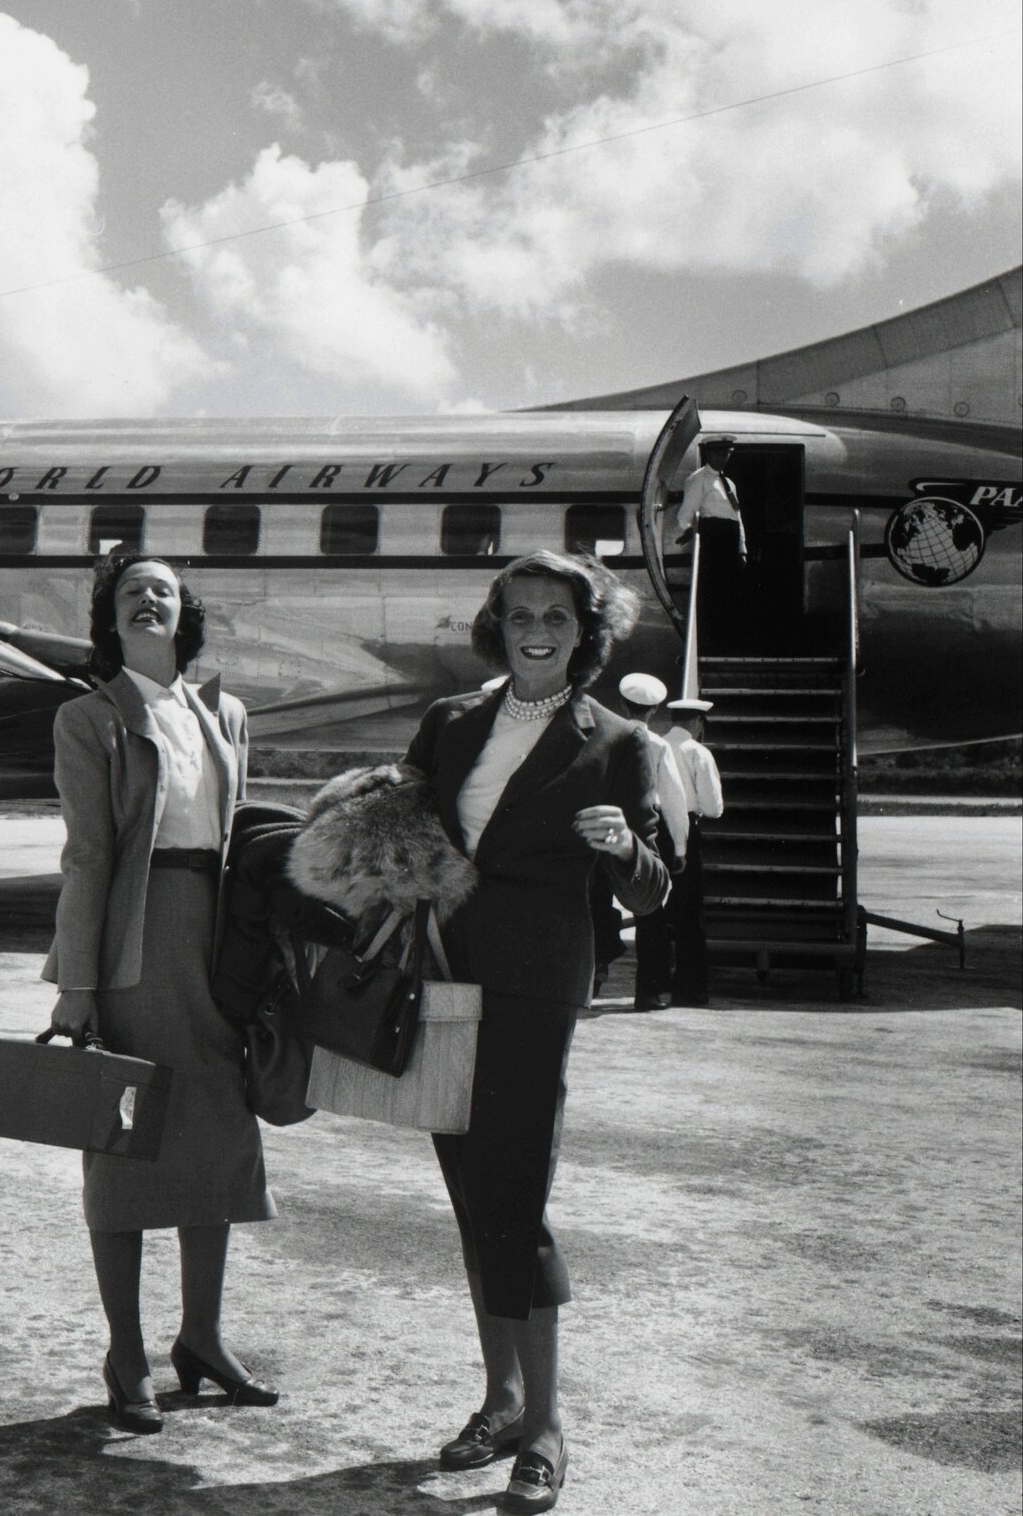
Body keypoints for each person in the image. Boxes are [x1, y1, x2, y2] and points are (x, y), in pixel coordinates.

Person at [403, 551, 669, 1513]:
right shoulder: (450, 722)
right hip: (443, 976)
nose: (537, 630)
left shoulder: (620, 742)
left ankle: (546, 1425)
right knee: (472, 1192)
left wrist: (623, 848)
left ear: (585, 631)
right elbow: (405, 831)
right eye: (521, 614)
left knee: (514, 1191)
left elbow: (654, 888)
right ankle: (502, 1400)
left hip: (534, 987)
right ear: (499, 623)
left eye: (557, 615)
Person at [45, 551, 277, 1435]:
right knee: (124, 1148)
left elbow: (240, 836)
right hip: (133, 948)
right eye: (132, 590)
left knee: (215, 1143)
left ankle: (205, 1340)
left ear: (187, 614)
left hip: (218, 951)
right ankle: (126, 1354)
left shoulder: (226, 713)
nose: (150, 598)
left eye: (166, 590)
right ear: (110, 618)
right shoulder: (87, 718)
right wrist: (78, 983)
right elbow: (88, 856)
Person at [617, 673, 689, 1013]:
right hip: (645, 834)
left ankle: (591, 978)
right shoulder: (659, 746)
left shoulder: (606, 738)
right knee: (650, 913)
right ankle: (649, 992)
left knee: (593, 908)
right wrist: (681, 848)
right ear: (655, 710)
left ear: (621, 704)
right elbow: (674, 800)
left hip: (607, 831)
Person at [664, 697, 725, 1005]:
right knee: (690, 914)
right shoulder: (698, 752)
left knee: (656, 912)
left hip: (654, 829)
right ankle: (690, 988)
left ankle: (656, 983)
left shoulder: (653, 745)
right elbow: (714, 808)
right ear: (697, 723)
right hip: (686, 829)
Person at [673, 435, 747, 649]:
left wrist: (741, 549)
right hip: (713, 540)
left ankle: (726, 640)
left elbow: (737, 518)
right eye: (719, 453)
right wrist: (690, 531)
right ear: (708, 453)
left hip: (729, 542)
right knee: (712, 593)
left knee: (729, 594)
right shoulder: (698, 479)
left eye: (727, 453)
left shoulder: (729, 483)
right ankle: (711, 641)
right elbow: (686, 512)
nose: (723, 457)